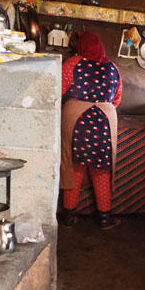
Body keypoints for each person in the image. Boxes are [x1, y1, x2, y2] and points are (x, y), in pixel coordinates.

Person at [59, 31, 122, 230]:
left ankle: (68, 215)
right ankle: (105, 218)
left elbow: (57, 90)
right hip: (104, 119)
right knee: (101, 169)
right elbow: (117, 98)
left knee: (73, 166)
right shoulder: (112, 68)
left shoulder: (72, 63)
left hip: (76, 119)